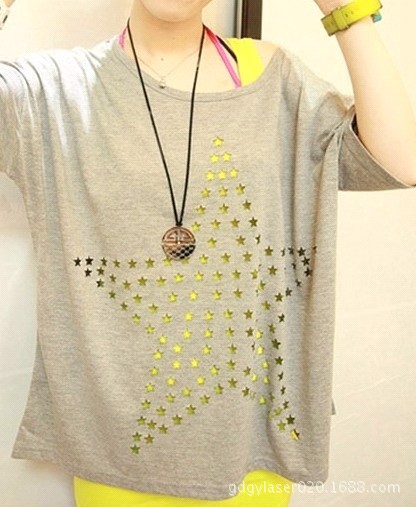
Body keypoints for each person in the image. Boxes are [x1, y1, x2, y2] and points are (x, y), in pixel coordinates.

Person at [1, 0, 415, 506]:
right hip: (115, 458)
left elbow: (401, 160)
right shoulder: (54, 90)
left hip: (250, 457)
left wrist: (345, 9)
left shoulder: (272, 76)